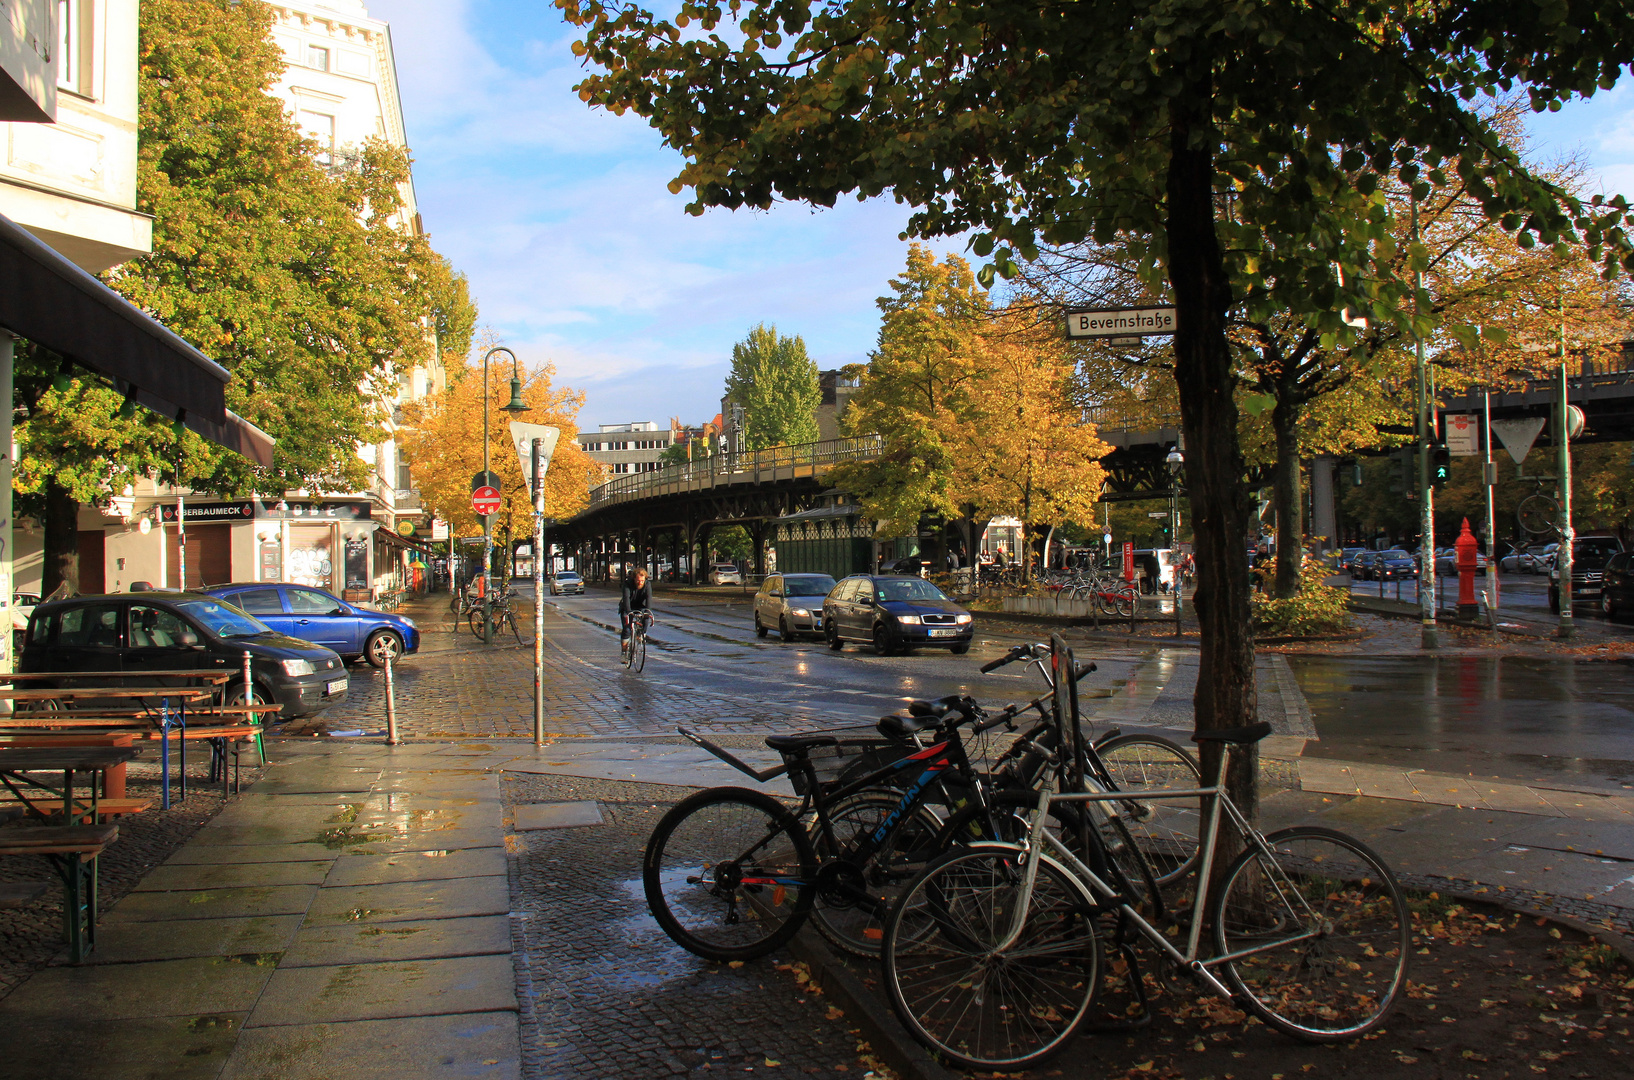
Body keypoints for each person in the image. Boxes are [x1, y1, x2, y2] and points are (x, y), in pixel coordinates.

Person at [620, 566, 651, 657]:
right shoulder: (627, 584)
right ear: (634, 579)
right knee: (627, 629)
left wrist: (647, 611)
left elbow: (649, 598)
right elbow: (626, 598)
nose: (640, 583)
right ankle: (624, 652)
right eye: (638, 581)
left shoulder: (647, 584)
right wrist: (629, 612)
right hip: (627, 607)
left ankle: (642, 635)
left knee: (646, 617)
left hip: (640, 606)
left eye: (642, 580)